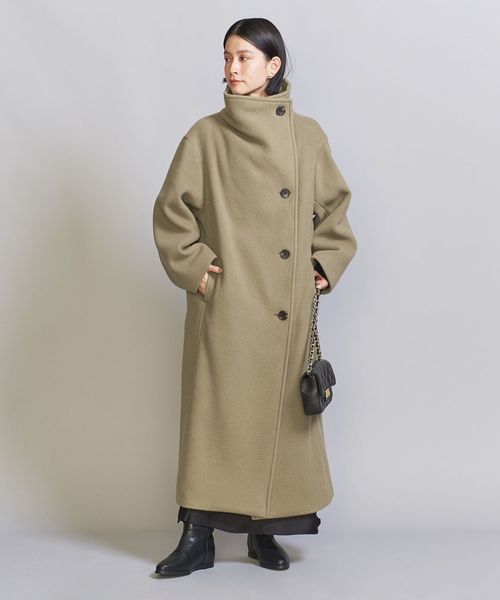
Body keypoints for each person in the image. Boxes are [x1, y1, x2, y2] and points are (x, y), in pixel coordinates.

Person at [152, 17, 357, 577]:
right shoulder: (205, 136)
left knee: (281, 419)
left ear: (273, 66)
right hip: (228, 303)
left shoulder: (307, 136)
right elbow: (171, 212)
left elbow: (334, 209)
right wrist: (198, 271)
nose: (232, 68)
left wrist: (324, 263)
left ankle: (267, 531)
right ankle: (197, 536)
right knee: (214, 417)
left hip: (285, 305)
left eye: (244, 57)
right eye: (227, 57)